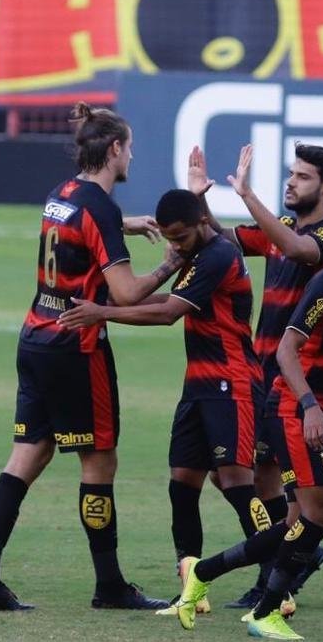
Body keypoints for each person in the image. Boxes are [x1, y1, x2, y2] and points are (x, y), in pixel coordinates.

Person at [0, 102, 182, 612]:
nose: (132, 155)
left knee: (27, 456)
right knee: (99, 459)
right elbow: (125, 296)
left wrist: (122, 225)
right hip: (77, 348)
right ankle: (109, 586)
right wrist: (171, 263)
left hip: (36, 336)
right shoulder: (98, 208)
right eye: (129, 147)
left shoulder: (61, 193)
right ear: (114, 149)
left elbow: (80, 225)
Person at [176, 164, 323, 639]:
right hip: (295, 407)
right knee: (313, 512)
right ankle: (267, 609)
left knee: (300, 518)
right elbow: (287, 348)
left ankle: (208, 576)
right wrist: (309, 406)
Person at [58, 188, 261, 617]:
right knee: (182, 483)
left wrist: (105, 313)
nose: (176, 245)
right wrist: (115, 302)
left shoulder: (219, 255)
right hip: (198, 384)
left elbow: (169, 313)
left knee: (237, 482)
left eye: (181, 237)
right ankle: (192, 590)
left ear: (202, 222)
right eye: (170, 238)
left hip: (232, 380)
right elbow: (164, 301)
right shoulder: (196, 254)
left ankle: (278, 582)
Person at [188, 142, 323, 611]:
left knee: (280, 486)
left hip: (295, 383)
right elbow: (222, 239)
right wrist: (200, 196)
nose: (291, 181)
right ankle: (299, 555)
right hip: (259, 376)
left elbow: (295, 248)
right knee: (244, 477)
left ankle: (276, 578)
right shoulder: (284, 230)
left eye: (302, 176)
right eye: (291, 173)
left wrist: (246, 195)